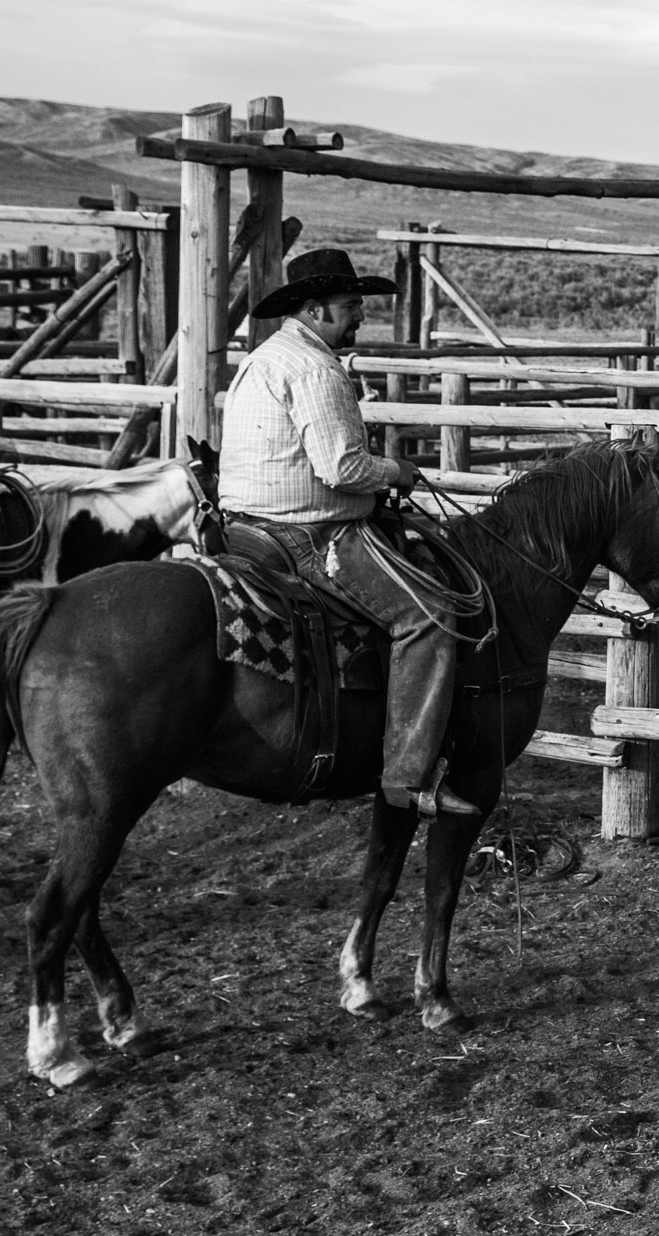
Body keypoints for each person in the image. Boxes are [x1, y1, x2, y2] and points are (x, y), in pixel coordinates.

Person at [218, 248, 477, 819]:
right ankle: (407, 777)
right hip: (310, 534)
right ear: (315, 310)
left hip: (245, 529)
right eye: (352, 305)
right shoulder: (314, 368)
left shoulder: (267, 356)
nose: (361, 314)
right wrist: (397, 471)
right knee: (429, 615)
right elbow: (341, 468)